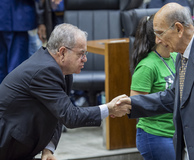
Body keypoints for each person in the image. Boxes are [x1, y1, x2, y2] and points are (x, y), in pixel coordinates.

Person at [117, 3, 194, 160]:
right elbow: (174, 97)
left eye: (160, 33)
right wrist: (131, 103)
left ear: (179, 29)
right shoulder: (180, 57)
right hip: (186, 150)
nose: (158, 40)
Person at [0, 23, 130, 160]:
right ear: (62, 52)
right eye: (81, 54)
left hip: (19, 145)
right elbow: (70, 116)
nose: (85, 59)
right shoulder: (45, 71)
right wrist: (109, 109)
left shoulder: (62, 71)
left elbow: (58, 113)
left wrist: (48, 149)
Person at [130, 14, 177, 159]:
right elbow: (137, 105)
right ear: (160, 37)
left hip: (175, 132)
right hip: (155, 135)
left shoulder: (176, 57)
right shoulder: (147, 66)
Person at [0, 0, 48, 83]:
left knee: (3, 65)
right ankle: (14, 95)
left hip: (7, 16)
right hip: (18, 18)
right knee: (16, 66)